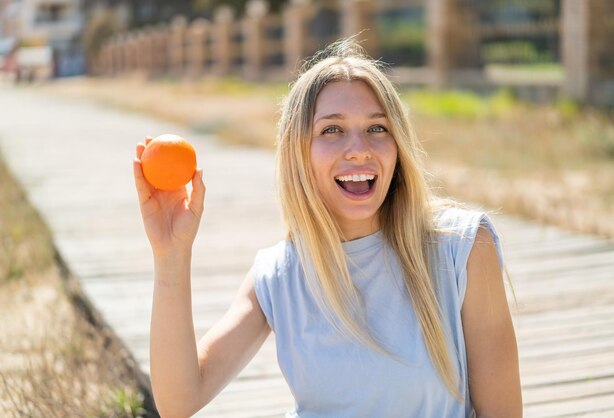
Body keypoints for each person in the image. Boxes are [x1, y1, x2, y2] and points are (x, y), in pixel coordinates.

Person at [133, 39, 522, 418]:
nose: (358, 149)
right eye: (331, 130)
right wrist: (171, 255)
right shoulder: (278, 274)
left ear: (398, 146)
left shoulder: (462, 247)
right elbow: (179, 401)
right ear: (298, 152)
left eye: (377, 129)